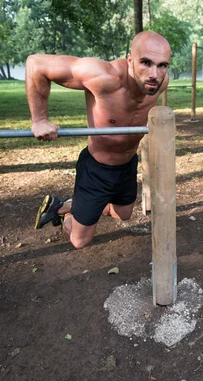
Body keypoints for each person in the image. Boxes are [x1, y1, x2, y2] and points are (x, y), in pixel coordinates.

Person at [26, 31, 171, 249]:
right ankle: (63, 215)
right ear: (130, 60)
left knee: (123, 214)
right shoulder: (103, 76)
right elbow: (36, 64)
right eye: (146, 63)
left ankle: (69, 205)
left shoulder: (160, 81)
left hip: (127, 165)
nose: (154, 74)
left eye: (162, 65)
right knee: (80, 240)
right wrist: (39, 119)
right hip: (97, 168)